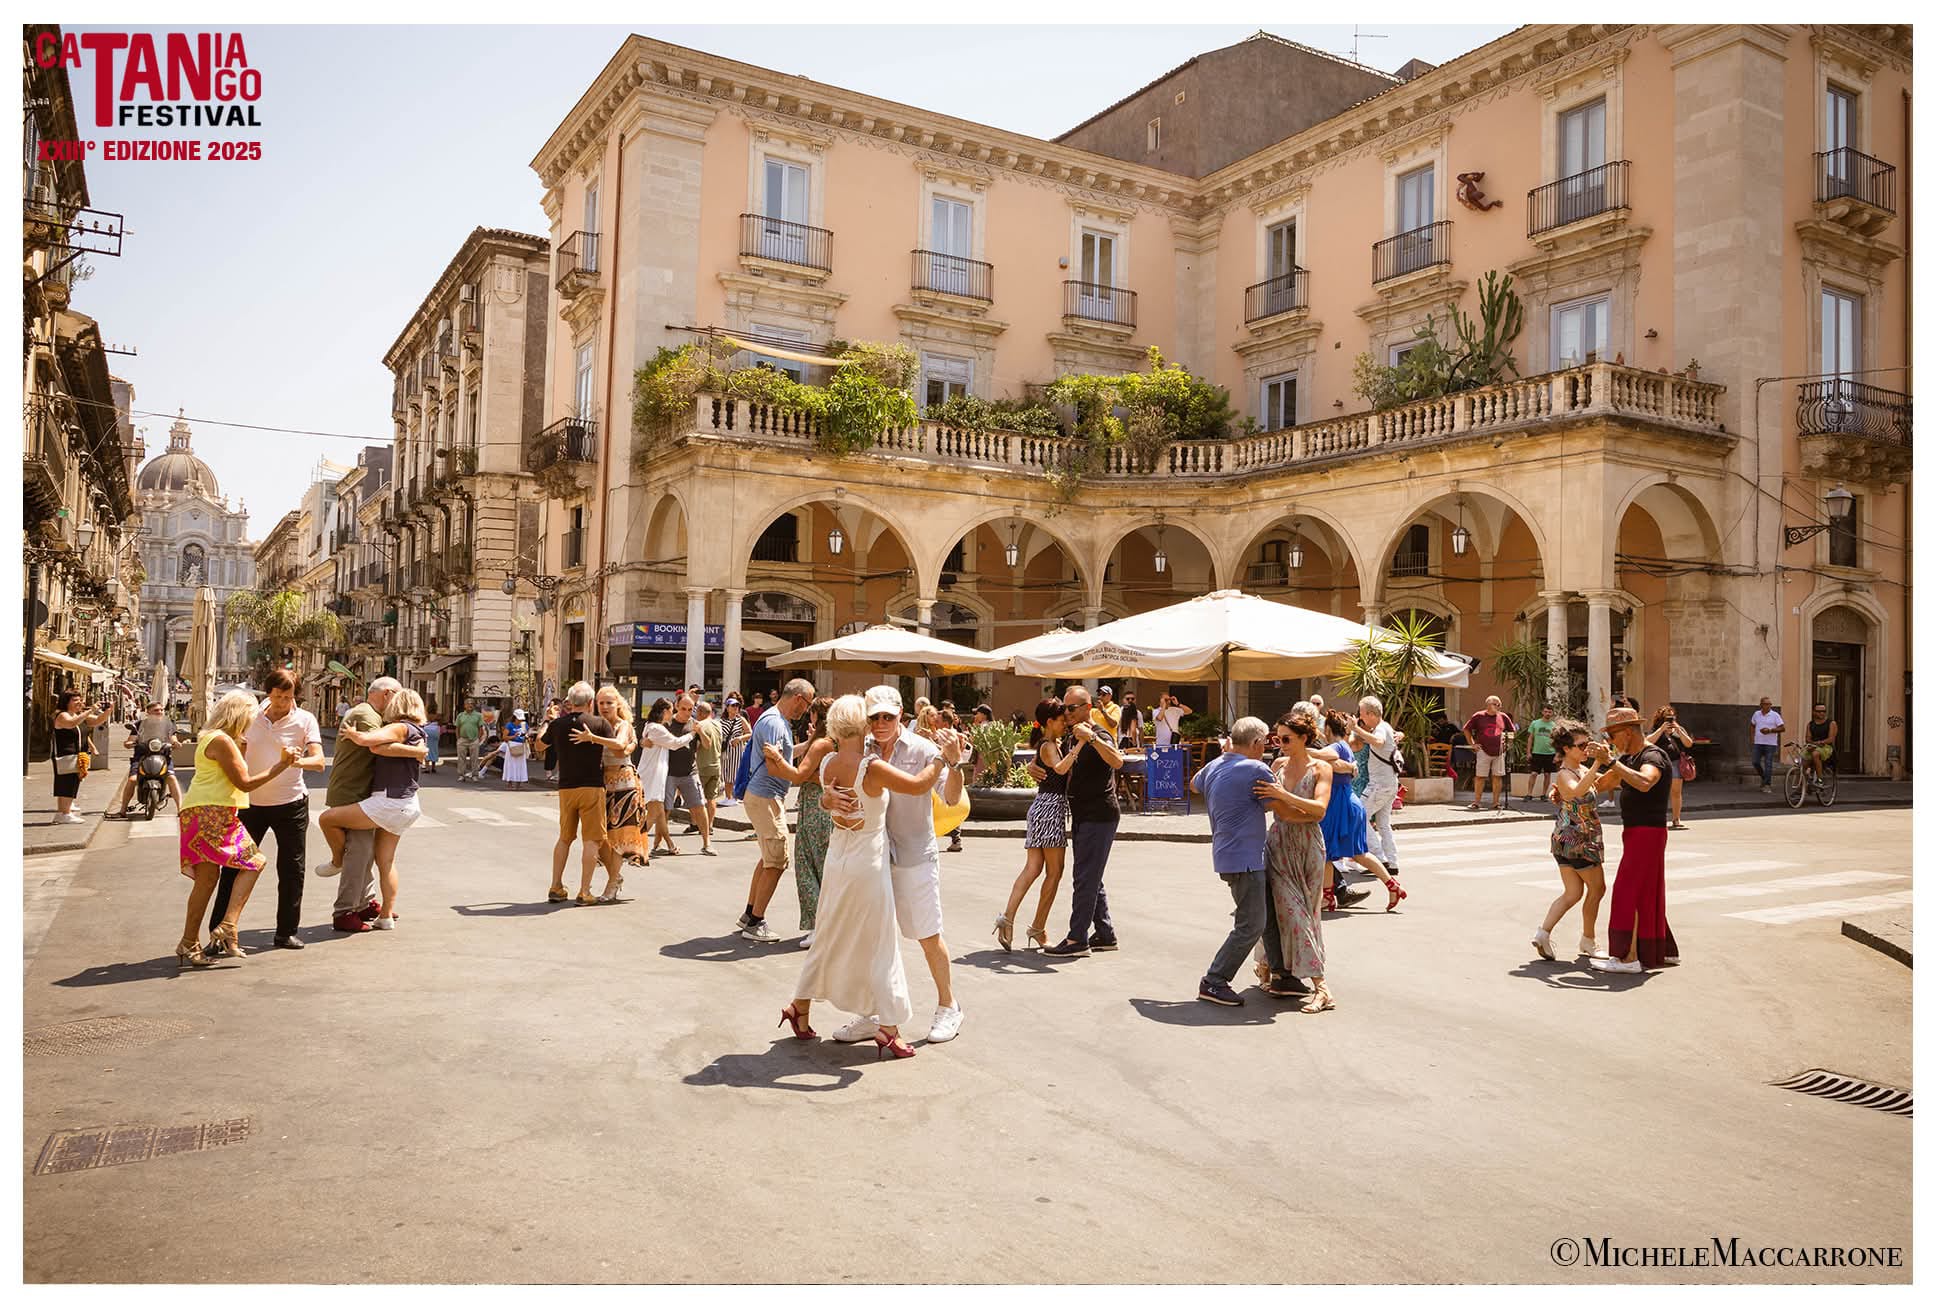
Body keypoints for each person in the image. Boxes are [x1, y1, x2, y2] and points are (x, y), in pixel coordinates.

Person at [779, 694, 945, 1061]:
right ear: (865, 725)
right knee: (880, 945)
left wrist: (825, 800)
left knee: (828, 935)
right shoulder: (870, 767)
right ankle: (888, 1028)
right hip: (867, 864)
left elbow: (826, 796)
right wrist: (943, 759)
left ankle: (799, 1007)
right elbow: (918, 786)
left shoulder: (827, 764)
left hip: (837, 859)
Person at [818, 685, 969, 1045]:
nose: (881, 723)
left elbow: (950, 796)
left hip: (914, 854)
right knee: (873, 941)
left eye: (888, 716)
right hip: (874, 858)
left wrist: (955, 762)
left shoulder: (923, 749)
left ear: (901, 714)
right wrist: (826, 799)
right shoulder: (861, 749)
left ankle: (949, 1006)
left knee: (927, 935)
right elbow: (830, 795)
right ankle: (874, 1015)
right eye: (875, 717)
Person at [173, 691, 307, 966]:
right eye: (250, 716)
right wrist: (282, 765)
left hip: (199, 810)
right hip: (214, 811)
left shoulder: (213, 737)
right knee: (254, 861)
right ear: (239, 715)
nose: (252, 721)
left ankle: (189, 942)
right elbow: (245, 783)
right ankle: (229, 925)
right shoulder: (223, 742)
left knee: (207, 881)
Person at [205, 670, 324, 952]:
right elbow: (232, 750)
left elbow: (318, 760)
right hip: (250, 803)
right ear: (268, 693)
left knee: (292, 869)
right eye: (278, 696)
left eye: (289, 696)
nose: (283, 702)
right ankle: (218, 933)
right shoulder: (249, 717)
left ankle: (286, 932)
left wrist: (295, 763)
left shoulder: (305, 720)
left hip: (291, 803)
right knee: (234, 867)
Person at [314, 690, 430, 931]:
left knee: (326, 819)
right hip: (407, 803)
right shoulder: (419, 732)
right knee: (386, 862)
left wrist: (355, 734)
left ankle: (336, 861)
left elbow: (373, 744)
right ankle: (385, 915)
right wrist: (416, 751)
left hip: (388, 802)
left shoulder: (401, 727)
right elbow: (385, 750)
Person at [1189, 717, 1280, 1007]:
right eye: (1265, 742)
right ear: (1255, 743)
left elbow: (1194, 785)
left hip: (1230, 853)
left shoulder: (1215, 765)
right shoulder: (1256, 769)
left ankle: (1281, 973)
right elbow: (1278, 805)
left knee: (1265, 917)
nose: (1266, 747)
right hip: (1245, 857)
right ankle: (1214, 980)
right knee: (1251, 924)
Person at [1255, 706, 1339, 1012]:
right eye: (1278, 739)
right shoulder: (1276, 764)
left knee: (1307, 912)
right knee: (1290, 912)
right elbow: (1281, 812)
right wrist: (1290, 807)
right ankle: (1320, 985)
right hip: (1279, 843)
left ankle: (1278, 970)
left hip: (1309, 846)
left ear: (1304, 738)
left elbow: (1318, 811)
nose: (1281, 745)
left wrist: (1285, 797)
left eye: (1287, 739)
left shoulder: (1320, 769)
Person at [1035, 685, 1124, 960]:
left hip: (1100, 814)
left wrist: (1093, 739)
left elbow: (1118, 761)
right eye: (1065, 708)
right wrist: (1034, 766)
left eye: (1071, 708)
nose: (1067, 713)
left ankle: (1077, 938)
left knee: (1084, 878)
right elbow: (1060, 767)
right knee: (1090, 875)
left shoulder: (1098, 733)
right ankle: (1105, 934)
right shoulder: (1072, 737)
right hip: (1084, 814)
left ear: (1088, 708)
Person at [1589, 706, 1677, 974]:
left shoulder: (1652, 756)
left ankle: (1627, 957)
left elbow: (1645, 782)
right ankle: (1656, 951)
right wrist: (1570, 784)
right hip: (1639, 832)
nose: (1611, 742)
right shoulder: (1629, 757)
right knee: (1646, 891)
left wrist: (1612, 761)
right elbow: (1602, 784)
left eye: (1613, 736)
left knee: (1628, 891)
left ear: (1627, 733)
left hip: (1647, 832)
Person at [738, 678, 817, 943]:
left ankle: (750, 914)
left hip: (765, 796)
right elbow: (774, 764)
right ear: (798, 698)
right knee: (777, 859)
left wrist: (807, 746)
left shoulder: (776, 720)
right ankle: (755, 922)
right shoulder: (774, 722)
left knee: (767, 857)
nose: (805, 710)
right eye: (807, 704)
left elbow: (782, 754)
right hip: (766, 796)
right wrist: (802, 775)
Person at [995, 697, 1075, 951]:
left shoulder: (1050, 743)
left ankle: (1007, 919)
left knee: (1033, 868)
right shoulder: (1049, 745)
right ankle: (1038, 928)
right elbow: (1061, 769)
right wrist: (1081, 744)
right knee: (1054, 871)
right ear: (1050, 722)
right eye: (1062, 720)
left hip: (1043, 807)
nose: (1066, 724)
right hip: (1050, 809)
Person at [327, 677, 400, 935]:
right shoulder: (366, 716)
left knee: (366, 851)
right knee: (358, 854)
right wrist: (416, 748)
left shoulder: (368, 713)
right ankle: (345, 911)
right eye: (398, 697)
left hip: (361, 791)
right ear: (388, 694)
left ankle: (363, 902)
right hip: (352, 792)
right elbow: (381, 747)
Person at [531, 682, 615, 905]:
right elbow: (617, 746)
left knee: (564, 838)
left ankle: (556, 886)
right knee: (592, 840)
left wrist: (547, 721)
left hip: (566, 787)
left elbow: (539, 746)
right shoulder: (599, 723)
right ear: (590, 703)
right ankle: (584, 891)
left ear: (569, 703)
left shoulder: (557, 725)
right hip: (592, 786)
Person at [1531, 720, 1607, 962]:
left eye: (1588, 744)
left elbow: (1608, 780)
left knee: (1573, 893)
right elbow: (1577, 791)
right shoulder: (1565, 774)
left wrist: (1613, 754)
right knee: (1597, 889)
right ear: (1566, 748)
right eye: (1582, 745)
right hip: (1578, 840)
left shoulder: (1581, 770)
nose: (1586, 749)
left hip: (1568, 838)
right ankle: (1588, 940)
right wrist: (1598, 762)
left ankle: (1543, 933)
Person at [1319, 711, 1405, 912]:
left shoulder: (1335, 747)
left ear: (1328, 729)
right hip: (1349, 802)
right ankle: (1392, 885)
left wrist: (1300, 752)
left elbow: (1329, 758)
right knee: (1357, 853)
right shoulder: (1344, 745)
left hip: (1339, 804)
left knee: (1328, 852)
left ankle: (1328, 898)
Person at [766, 697, 836, 947]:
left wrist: (776, 759)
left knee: (807, 866)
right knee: (827, 867)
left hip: (815, 808)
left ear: (818, 716)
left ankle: (818, 926)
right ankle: (829, 925)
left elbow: (798, 775)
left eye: (812, 713)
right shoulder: (841, 742)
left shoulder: (822, 743)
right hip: (828, 809)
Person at [582, 687, 645, 875]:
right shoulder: (597, 725)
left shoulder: (622, 725)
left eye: (609, 702)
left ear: (618, 704)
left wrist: (593, 739)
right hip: (602, 783)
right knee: (602, 835)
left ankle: (612, 882)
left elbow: (619, 747)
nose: (605, 707)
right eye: (601, 703)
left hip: (623, 784)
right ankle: (614, 877)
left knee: (618, 835)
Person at [1348, 697, 1403, 886]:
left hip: (1380, 784)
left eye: (1362, 714)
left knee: (1359, 816)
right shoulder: (1385, 726)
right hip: (1389, 783)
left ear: (1371, 714)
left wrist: (1355, 728)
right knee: (1383, 823)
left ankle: (1380, 858)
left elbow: (1378, 742)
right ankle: (1392, 861)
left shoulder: (1380, 729)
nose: (1361, 717)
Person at [638, 697, 694, 857]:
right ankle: (635, 844)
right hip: (653, 775)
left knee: (660, 813)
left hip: (654, 773)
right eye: (671, 710)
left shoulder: (652, 727)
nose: (673, 713)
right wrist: (692, 733)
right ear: (664, 711)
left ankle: (669, 845)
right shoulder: (657, 729)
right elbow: (675, 743)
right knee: (655, 813)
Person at [108, 702, 185, 816]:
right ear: (148, 712)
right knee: (132, 779)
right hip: (142, 756)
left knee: (171, 778)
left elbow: (172, 737)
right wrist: (129, 743)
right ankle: (123, 810)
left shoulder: (169, 724)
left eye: (161, 710)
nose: (159, 712)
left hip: (163, 756)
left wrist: (176, 743)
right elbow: (132, 738)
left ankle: (180, 809)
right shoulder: (139, 724)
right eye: (156, 710)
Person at [50, 690, 112, 823]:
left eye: (80, 699)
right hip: (65, 754)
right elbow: (72, 723)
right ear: (66, 702)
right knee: (66, 784)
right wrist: (90, 711)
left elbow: (97, 721)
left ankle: (64, 811)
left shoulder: (78, 715)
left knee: (72, 782)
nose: (79, 702)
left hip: (77, 755)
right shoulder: (62, 716)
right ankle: (64, 814)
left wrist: (108, 711)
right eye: (75, 700)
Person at [663, 694, 711, 853]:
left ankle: (707, 843)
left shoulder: (694, 724)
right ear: (676, 706)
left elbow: (707, 745)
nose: (687, 712)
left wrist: (701, 732)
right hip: (669, 773)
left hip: (690, 772)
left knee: (699, 806)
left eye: (690, 709)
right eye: (683, 708)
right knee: (665, 809)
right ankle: (658, 844)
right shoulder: (667, 723)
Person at [1463, 695, 1516, 811]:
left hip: (1499, 750)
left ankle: (1496, 803)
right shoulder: (1478, 716)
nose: (1499, 707)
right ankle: (1476, 802)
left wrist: (1508, 744)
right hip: (1483, 750)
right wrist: (1472, 744)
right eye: (1496, 704)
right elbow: (1466, 729)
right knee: (1480, 776)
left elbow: (1512, 731)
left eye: (1500, 705)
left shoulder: (1503, 717)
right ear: (1488, 705)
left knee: (1497, 776)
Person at [1648, 705, 1694, 830]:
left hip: (1675, 762)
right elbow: (1648, 742)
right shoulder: (1656, 729)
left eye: (1672, 717)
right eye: (1667, 718)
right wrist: (1661, 730)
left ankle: (1676, 818)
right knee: (1657, 791)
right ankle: (1657, 818)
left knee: (1676, 792)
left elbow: (1689, 743)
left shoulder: (1679, 729)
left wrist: (1678, 730)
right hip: (1659, 763)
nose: (1670, 721)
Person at [692, 699, 725, 839]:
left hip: (702, 765)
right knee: (712, 798)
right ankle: (710, 825)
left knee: (698, 799)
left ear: (700, 712)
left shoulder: (699, 726)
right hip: (716, 765)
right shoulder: (718, 725)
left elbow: (698, 746)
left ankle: (700, 825)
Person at [1525, 705, 1557, 810]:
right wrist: (1528, 752)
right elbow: (1530, 738)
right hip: (1537, 752)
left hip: (1550, 753)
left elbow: (1556, 741)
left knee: (1547, 774)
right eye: (1546, 711)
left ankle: (1543, 794)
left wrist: (1557, 754)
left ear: (1552, 713)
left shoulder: (1554, 725)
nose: (1547, 713)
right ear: (1542, 712)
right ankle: (1529, 794)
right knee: (1533, 773)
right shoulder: (1535, 723)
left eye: (1549, 712)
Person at [718, 697, 749, 805]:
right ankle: (728, 796)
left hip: (736, 749)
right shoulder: (721, 721)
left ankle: (733, 797)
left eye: (737, 706)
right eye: (733, 705)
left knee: (733, 773)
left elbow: (750, 733)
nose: (736, 708)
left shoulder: (741, 720)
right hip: (724, 750)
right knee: (725, 774)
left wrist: (740, 738)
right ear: (727, 708)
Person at [1750, 697, 1784, 794]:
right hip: (1758, 742)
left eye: (1769, 704)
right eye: (1766, 704)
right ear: (1761, 705)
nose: (1768, 706)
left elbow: (1782, 728)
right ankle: (1765, 778)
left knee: (1768, 764)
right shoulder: (1756, 714)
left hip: (1770, 744)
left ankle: (1767, 785)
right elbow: (1752, 725)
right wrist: (1752, 738)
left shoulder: (1775, 715)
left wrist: (1770, 730)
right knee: (1755, 762)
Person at [1804, 704, 1838, 781]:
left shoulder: (1831, 723)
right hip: (1813, 745)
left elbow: (1831, 739)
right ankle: (1802, 785)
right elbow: (1807, 738)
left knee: (1815, 754)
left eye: (1823, 711)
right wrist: (1812, 744)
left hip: (1826, 747)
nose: (1821, 713)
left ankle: (1820, 779)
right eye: (1819, 711)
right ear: (1814, 712)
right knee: (1802, 761)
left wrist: (1819, 743)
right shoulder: (1810, 724)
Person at [500, 709, 531, 790]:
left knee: (520, 765)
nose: (520, 720)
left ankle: (519, 783)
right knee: (510, 765)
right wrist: (514, 736)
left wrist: (527, 736)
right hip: (512, 746)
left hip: (521, 745)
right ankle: (509, 783)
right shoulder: (509, 725)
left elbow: (526, 733)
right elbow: (504, 737)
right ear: (515, 717)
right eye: (518, 719)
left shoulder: (524, 725)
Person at [454, 698, 484, 782]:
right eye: (467, 704)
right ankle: (461, 775)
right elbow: (457, 728)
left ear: (474, 706)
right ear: (464, 706)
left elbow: (480, 728)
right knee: (461, 758)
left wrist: (478, 738)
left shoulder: (478, 715)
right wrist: (458, 739)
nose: (469, 705)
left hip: (474, 740)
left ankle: (474, 775)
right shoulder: (460, 715)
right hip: (462, 739)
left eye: (471, 704)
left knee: (474, 758)